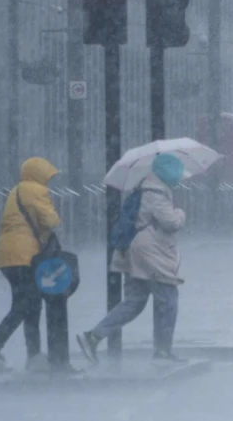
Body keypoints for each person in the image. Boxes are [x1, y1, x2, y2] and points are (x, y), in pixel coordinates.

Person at [77, 154, 188, 364]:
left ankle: (93, 336)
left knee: (134, 302)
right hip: (150, 251)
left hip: (134, 250)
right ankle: (163, 352)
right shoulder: (156, 192)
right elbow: (171, 222)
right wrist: (180, 212)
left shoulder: (144, 188)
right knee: (168, 298)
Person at [0, 157, 61, 372]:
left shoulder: (17, 189)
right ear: (39, 174)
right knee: (24, 306)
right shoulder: (36, 190)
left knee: (30, 304)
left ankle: (34, 356)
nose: (48, 182)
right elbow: (51, 220)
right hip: (24, 255)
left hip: (9, 255)